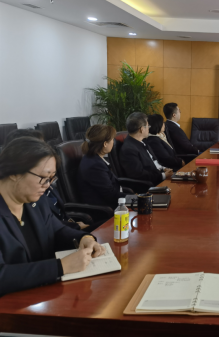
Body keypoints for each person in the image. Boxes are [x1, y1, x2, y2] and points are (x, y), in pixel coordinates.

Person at [0, 137, 105, 297]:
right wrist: (61, 266)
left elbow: (57, 230)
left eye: (51, 179)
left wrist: (84, 238)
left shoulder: (37, 200)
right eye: (43, 178)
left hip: (44, 296)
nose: (47, 185)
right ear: (14, 173)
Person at [4, 129, 90, 231]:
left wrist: (81, 235)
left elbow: (53, 224)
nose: (47, 184)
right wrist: (76, 227)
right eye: (39, 147)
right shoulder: (30, 194)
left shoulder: (40, 189)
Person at [77, 125, 127, 210]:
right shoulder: (95, 166)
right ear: (105, 144)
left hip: (116, 202)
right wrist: (135, 198)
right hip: (107, 209)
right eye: (112, 139)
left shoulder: (95, 159)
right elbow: (110, 195)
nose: (113, 142)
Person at [120, 112, 174, 186]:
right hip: (152, 185)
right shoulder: (129, 149)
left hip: (159, 175)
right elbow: (139, 174)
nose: (149, 128)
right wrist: (163, 175)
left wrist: (163, 168)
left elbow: (153, 162)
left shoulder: (143, 141)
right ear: (142, 129)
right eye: (148, 126)